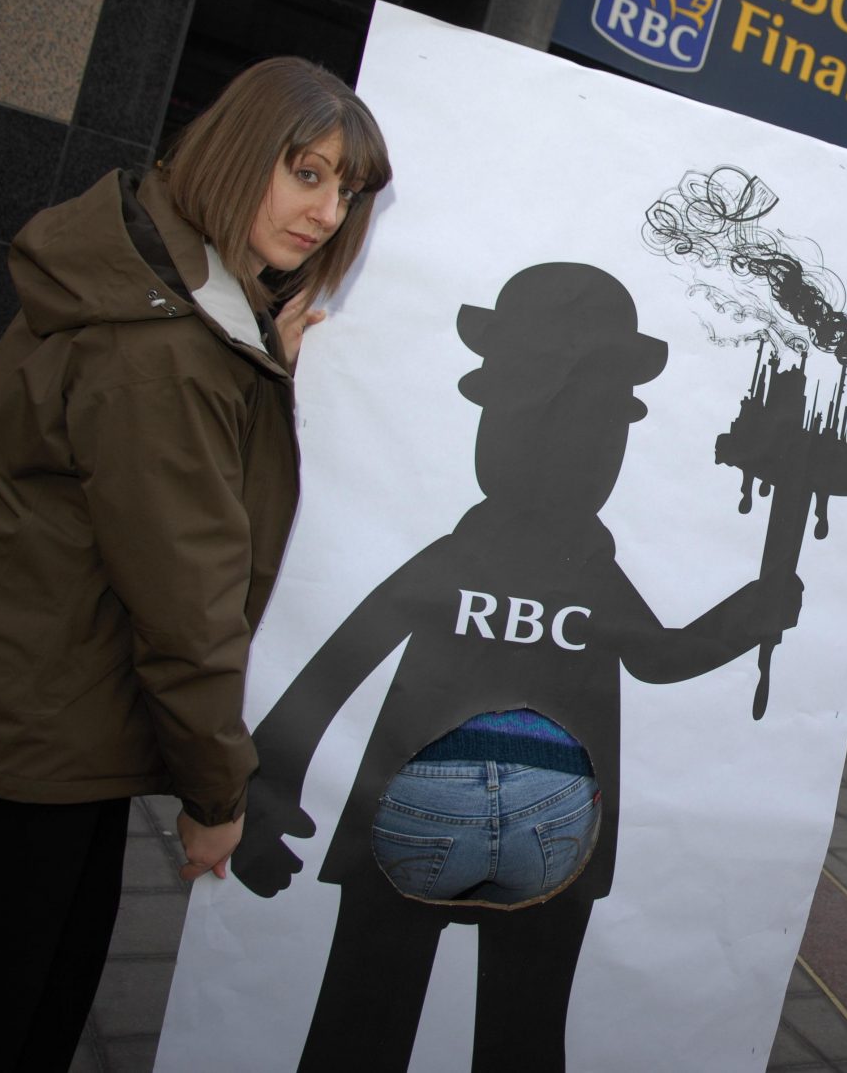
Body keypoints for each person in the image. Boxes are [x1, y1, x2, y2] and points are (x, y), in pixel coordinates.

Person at [0, 57, 392, 1070]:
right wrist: (216, 800)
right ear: (238, 153)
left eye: (345, 191)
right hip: (24, 740)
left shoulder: (156, 278)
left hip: (12, 707)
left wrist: (262, 358)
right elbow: (187, 603)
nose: (326, 212)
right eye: (307, 172)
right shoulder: (164, 347)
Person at [232, 262, 803, 1072]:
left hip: (465, 821)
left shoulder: (526, 560)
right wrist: (756, 611)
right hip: (527, 825)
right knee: (475, 1033)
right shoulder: (516, 560)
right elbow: (662, 658)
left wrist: (754, 611)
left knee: (401, 1028)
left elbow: (338, 665)